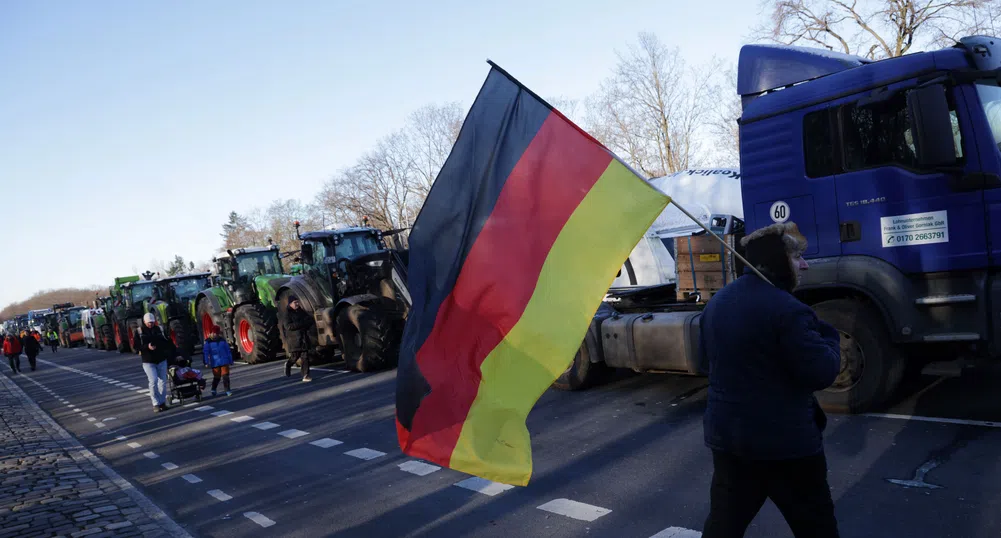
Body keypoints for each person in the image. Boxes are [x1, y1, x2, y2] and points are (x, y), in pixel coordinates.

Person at [699, 221, 842, 538]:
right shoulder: (789, 310)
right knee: (817, 528)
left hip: (729, 442)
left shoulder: (716, 304)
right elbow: (821, 371)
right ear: (777, 261)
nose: (803, 264)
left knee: (723, 527)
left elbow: (703, 362)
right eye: (795, 257)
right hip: (787, 448)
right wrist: (830, 336)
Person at [135, 313, 180, 412]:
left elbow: (167, 342)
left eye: (152, 322)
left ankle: (162, 402)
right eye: (149, 323)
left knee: (163, 382)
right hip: (148, 361)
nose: (150, 324)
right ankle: (155, 403)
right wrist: (147, 347)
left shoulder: (159, 329)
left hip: (161, 359)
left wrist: (175, 353)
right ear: (145, 322)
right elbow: (136, 347)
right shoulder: (139, 332)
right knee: (153, 381)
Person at [282, 295, 313, 382]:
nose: (297, 304)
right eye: (295, 302)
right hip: (294, 339)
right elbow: (288, 326)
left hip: (303, 338)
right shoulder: (287, 314)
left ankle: (305, 375)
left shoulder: (300, 311)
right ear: (290, 304)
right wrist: (302, 324)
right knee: (295, 357)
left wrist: (308, 323)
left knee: (305, 357)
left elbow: (309, 319)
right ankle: (288, 364)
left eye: (297, 302)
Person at [202, 326, 234, 396]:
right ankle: (213, 388)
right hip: (215, 362)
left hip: (224, 361)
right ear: (211, 333)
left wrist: (230, 360)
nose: (215, 334)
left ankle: (227, 390)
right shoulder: (208, 342)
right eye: (213, 333)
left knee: (226, 376)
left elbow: (228, 351)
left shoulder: (222, 341)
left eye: (216, 333)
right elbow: (206, 353)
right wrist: (206, 362)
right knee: (217, 377)